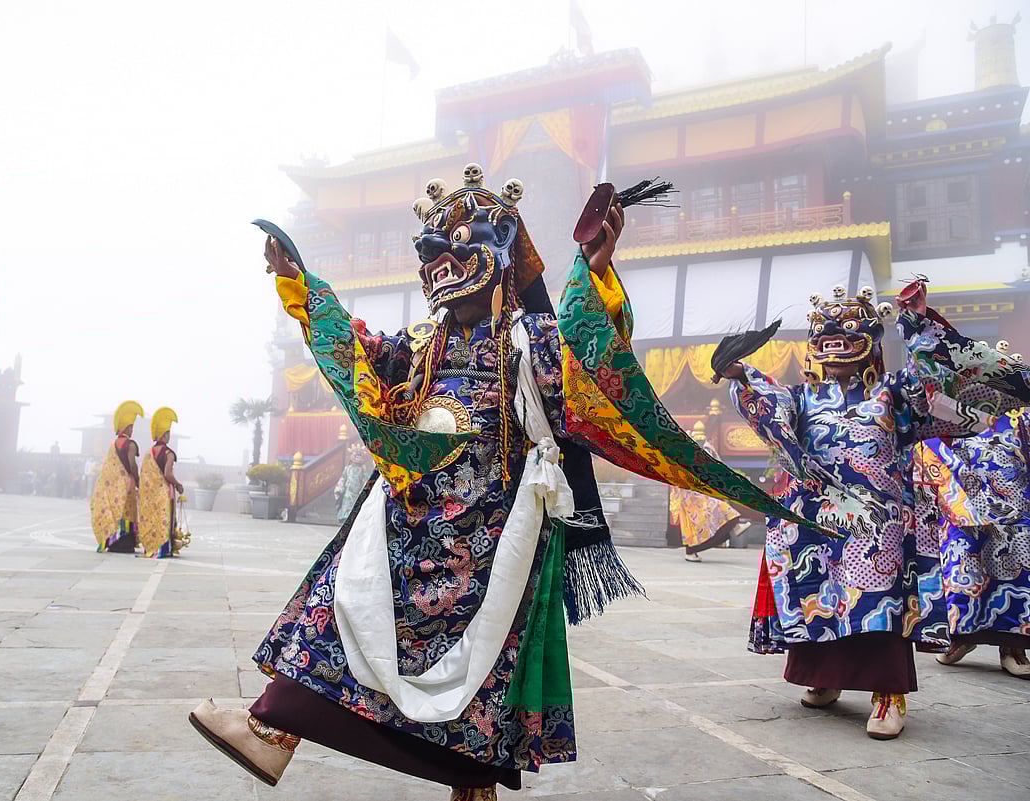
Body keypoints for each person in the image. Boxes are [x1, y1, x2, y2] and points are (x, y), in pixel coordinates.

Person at [190, 167, 816, 799]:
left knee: (487, 663)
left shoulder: (532, 343)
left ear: (503, 255)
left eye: (465, 243)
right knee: (338, 608)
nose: (445, 261)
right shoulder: (418, 348)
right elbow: (354, 351)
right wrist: (303, 284)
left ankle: (472, 788)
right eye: (432, 249)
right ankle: (270, 735)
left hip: (496, 539)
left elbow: (590, 363)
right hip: (405, 525)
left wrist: (594, 270)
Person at [718, 280, 1027, 740]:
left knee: (880, 603)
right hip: (818, 522)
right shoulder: (801, 398)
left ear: (872, 342)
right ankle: (824, 678)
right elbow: (771, 412)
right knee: (817, 596)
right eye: (825, 338)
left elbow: (939, 388)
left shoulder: (892, 393)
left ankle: (888, 693)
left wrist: (919, 326)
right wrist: (739, 373)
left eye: (848, 335)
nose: (835, 345)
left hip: (879, 526)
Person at [911, 335, 1030, 679]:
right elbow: (928, 447)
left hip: (1014, 514)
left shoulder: (1020, 416)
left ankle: (1014, 646)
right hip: (961, 508)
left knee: (1014, 579)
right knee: (962, 576)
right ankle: (959, 638)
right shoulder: (949, 414)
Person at [669, 440, 750, 562]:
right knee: (716, 509)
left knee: (702, 521)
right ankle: (734, 527)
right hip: (689, 498)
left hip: (693, 497)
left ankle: (734, 526)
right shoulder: (678, 463)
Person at [90, 401, 143, 553]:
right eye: (131, 427)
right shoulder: (131, 444)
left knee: (115, 512)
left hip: (112, 486)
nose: (132, 430)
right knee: (128, 512)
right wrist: (138, 479)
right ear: (127, 427)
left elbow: (108, 467)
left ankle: (113, 541)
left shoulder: (113, 444)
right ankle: (125, 543)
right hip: (127, 485)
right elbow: (132, 465)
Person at [139, 407, 187, 559]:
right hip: (165, 493)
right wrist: (178, 484)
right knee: (165, 518)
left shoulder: (148, 453)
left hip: (150, 494)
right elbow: (167, 474)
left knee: (152, 518)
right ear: (165, 435)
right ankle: (164, 548)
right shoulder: (168, 453)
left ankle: (150, 546)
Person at [333, 443, 369, 523]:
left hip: (357, 493)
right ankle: (344, 518)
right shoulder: (348, 468)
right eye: (356, 456)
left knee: (355, 508)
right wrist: (339, 488)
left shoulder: (362, 470)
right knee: (346, 506)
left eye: (359, 456)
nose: (357, 458)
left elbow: (365, 480)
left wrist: (363, 490)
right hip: (348, 493)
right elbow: (343, 479)